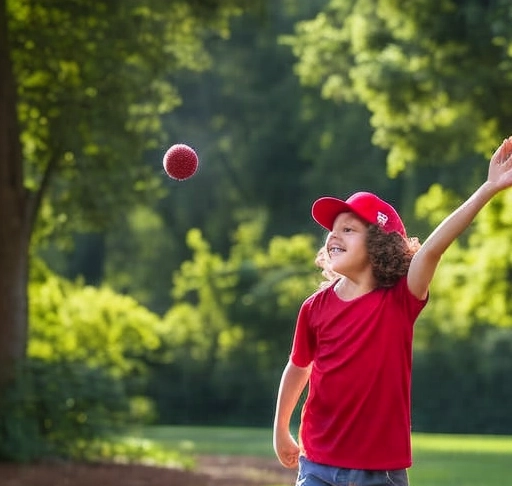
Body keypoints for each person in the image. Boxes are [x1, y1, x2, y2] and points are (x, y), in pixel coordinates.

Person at [272, 136, 512, 486]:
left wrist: (488, 188)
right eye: (332, 230)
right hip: (317, 465)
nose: (332, 236)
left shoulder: (400, 300)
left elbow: (431, 250)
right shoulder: (314, 308)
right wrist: (280, 427)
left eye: (348, 229)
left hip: (378, 472)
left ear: (379, 246)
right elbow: (298, 366)